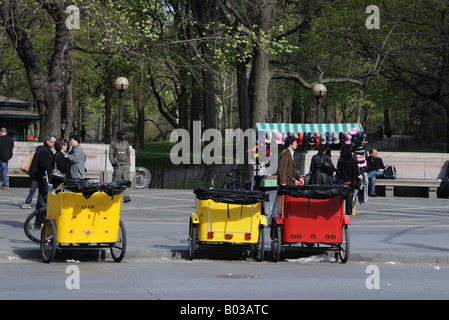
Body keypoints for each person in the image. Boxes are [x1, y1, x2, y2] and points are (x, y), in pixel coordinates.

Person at [29, 134, 57, 224]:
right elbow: (43, 164)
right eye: (53, 142)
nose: (54, 144)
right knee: (44, 197)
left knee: (41, 196)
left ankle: (39, 219)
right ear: (48, 141)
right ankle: (42, 218)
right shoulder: (45, 151)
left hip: (39, 176)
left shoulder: (43, 149)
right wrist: (49, 169)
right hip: (42, 176)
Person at [337, 145, 360, 215]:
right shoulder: (353, 161)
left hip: (342, 181)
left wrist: (338, 181)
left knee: (340, 197)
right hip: (350, 182)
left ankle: (339, 211)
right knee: (349, 197)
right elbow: (356, 172)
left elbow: (338, 172)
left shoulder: (340, 161)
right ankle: (348, 211)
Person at [109, 129, 131, 202]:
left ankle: (126, 196)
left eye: (124, 135)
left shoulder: (126, 143)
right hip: (118, 164)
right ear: (118, 135)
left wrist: (129, 162)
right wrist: (112, 162)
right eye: (122, 135)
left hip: (126, 164)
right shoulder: (113, 143)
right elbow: (111, 154)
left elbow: (128, 153)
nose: (123, 136)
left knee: (126, 180)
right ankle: (115, 195)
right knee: (116, 180)